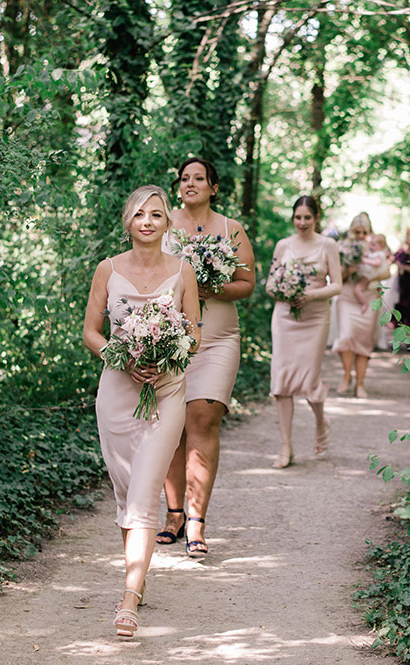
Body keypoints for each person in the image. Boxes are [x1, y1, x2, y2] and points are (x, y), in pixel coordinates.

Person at [83, 185, 201, 637]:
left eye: (156, 214)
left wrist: (169, 357)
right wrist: (122, 355)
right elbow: (92, 331)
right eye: (139, 214)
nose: (148, 221)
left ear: (167, 222)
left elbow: (195, 335)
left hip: (167, 391)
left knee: (146, 491)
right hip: (116, 391)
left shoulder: (183, 271)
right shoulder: (107, 270)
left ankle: (129, 597)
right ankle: (139, 575)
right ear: (127, 222)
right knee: (126, 492)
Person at [156, 157, 256, 559]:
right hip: (173, 339)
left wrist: (211, 287)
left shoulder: (231, 229)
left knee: (202, 419)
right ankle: (174, 513)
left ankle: (197, 521)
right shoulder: (162, 225)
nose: (190, 183)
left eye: (199, 178)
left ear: (214, 187)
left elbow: (248, 283)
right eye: (184, 178)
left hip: (218, 341)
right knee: (171, 427)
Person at [267, 195, 342, 467]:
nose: (302, 222)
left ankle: (321, 422)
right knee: (282, 381)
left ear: (316, 218)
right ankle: (285, 447)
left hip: (315, 316)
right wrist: (284, 290)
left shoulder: (328, 245)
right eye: (298, 217)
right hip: (285, 317)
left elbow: (337, 286)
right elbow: (269, 285)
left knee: (310, 380)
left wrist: (310, 295)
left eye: (307, 217)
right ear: (292, 218)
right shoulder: (282, 246)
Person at [332, 214, 390, 398]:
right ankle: (347, 375)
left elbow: (387, 272)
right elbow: (336, 277)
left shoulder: (374, 246)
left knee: (364, 343)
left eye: (364, 232)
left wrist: (369, 278)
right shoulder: (342, 247)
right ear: (351, 230)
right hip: (348, 296)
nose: (360, 235)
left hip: (368, 296)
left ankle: (360, 384)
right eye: (357, 231)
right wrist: (350, 268)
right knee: (346, 337)